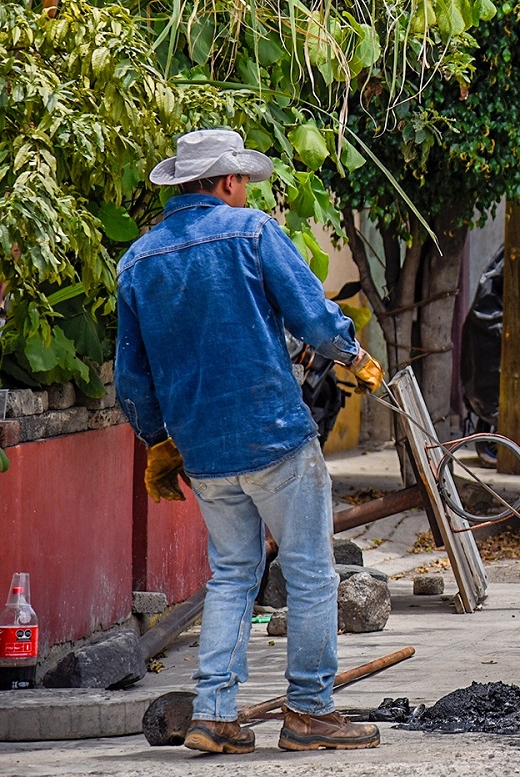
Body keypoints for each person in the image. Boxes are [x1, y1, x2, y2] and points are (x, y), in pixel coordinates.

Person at [115, 128, 386, 754]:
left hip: (202, 451)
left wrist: (158, 440)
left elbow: (132, 377)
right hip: (274, 438)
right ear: (229, 181)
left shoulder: (138, 261)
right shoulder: (252, 232)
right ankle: (311, 713)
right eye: (242, 180)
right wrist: (350, 351)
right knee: (312, 573)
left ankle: (214, 713)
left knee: (232, 574)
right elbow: (313, 318)